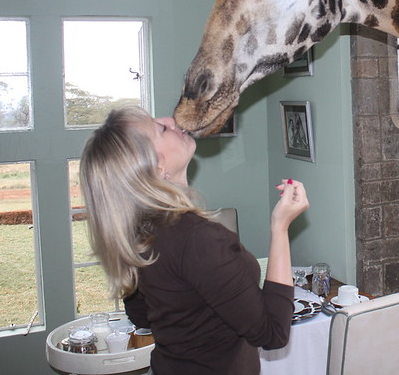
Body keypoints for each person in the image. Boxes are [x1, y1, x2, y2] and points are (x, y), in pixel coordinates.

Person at [79, 106, 309, 375]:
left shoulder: (139, 232)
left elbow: (143, 316)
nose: (171, 120)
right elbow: (272, 333)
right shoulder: (198, 238)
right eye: (161, 129)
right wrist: (280, 227)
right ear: (157, 167)